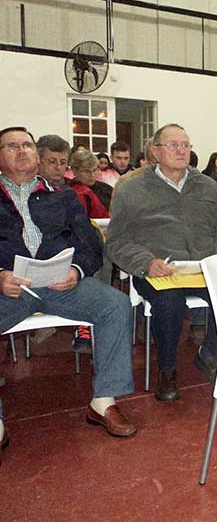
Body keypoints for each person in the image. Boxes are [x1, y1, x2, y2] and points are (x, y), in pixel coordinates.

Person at [0, 126, 137, 448]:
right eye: (11, 146)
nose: (21, 151)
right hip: (10, 286)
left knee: (115, 305)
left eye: (27, 145)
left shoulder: (63, 196)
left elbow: (90, 244)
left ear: (37, 154)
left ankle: (103, 401)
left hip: (62, 284)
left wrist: (77, 270)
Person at [106, 123, 217, 401]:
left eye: (186, 145)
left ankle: (210, 353)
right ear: (155, 151)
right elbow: (117, 241)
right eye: (173, 145)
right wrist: (146, 262)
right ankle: (168, 369)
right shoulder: (132, 189)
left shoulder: (210, 188)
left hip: (202, 268)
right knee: (169, 301)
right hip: (158, 270)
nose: (181, 151)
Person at [68, 150, 112, 216]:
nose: (92, 175)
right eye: (86, 171)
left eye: (94, 170)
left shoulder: (107, 190)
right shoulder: (67, 192)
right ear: (74, 170)